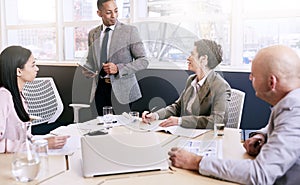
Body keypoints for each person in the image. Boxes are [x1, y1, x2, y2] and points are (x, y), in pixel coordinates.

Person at [168, 45, 300, 184]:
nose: (249, 78)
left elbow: (259, 174)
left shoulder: (294, 113)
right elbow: (279, 126)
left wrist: (195, 161)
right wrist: (261, 135)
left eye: (253, 75)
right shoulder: (291, 103)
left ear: (271, 82)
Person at [142, 39, 231, 129]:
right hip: (184, 133)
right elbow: (177, 107)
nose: (188, 58)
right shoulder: (191, 80)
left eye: (192, 54)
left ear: (204, 59)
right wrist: (155, 115)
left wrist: (180, 121)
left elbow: (218, 120)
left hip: (203, 138)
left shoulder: (221, 86)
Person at [83, 0, 149, 116]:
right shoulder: (93, 34)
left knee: (122, 131)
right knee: (103, 129)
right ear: (99, 13)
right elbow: (90, 60)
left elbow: (143, 61)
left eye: (116, 11)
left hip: (123, 91)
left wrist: (118, 68)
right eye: (109, 12)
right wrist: (87, 69)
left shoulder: (129, 31)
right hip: (99, 90)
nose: (114, 15)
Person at [0, 46, 69, 153]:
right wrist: (40, 146)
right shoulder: (3, 96)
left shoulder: (19, 95)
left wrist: (44, 141)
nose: (37, 69)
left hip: (19, 157)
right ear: (19, 71)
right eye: (33, 65)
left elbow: (24, 139)